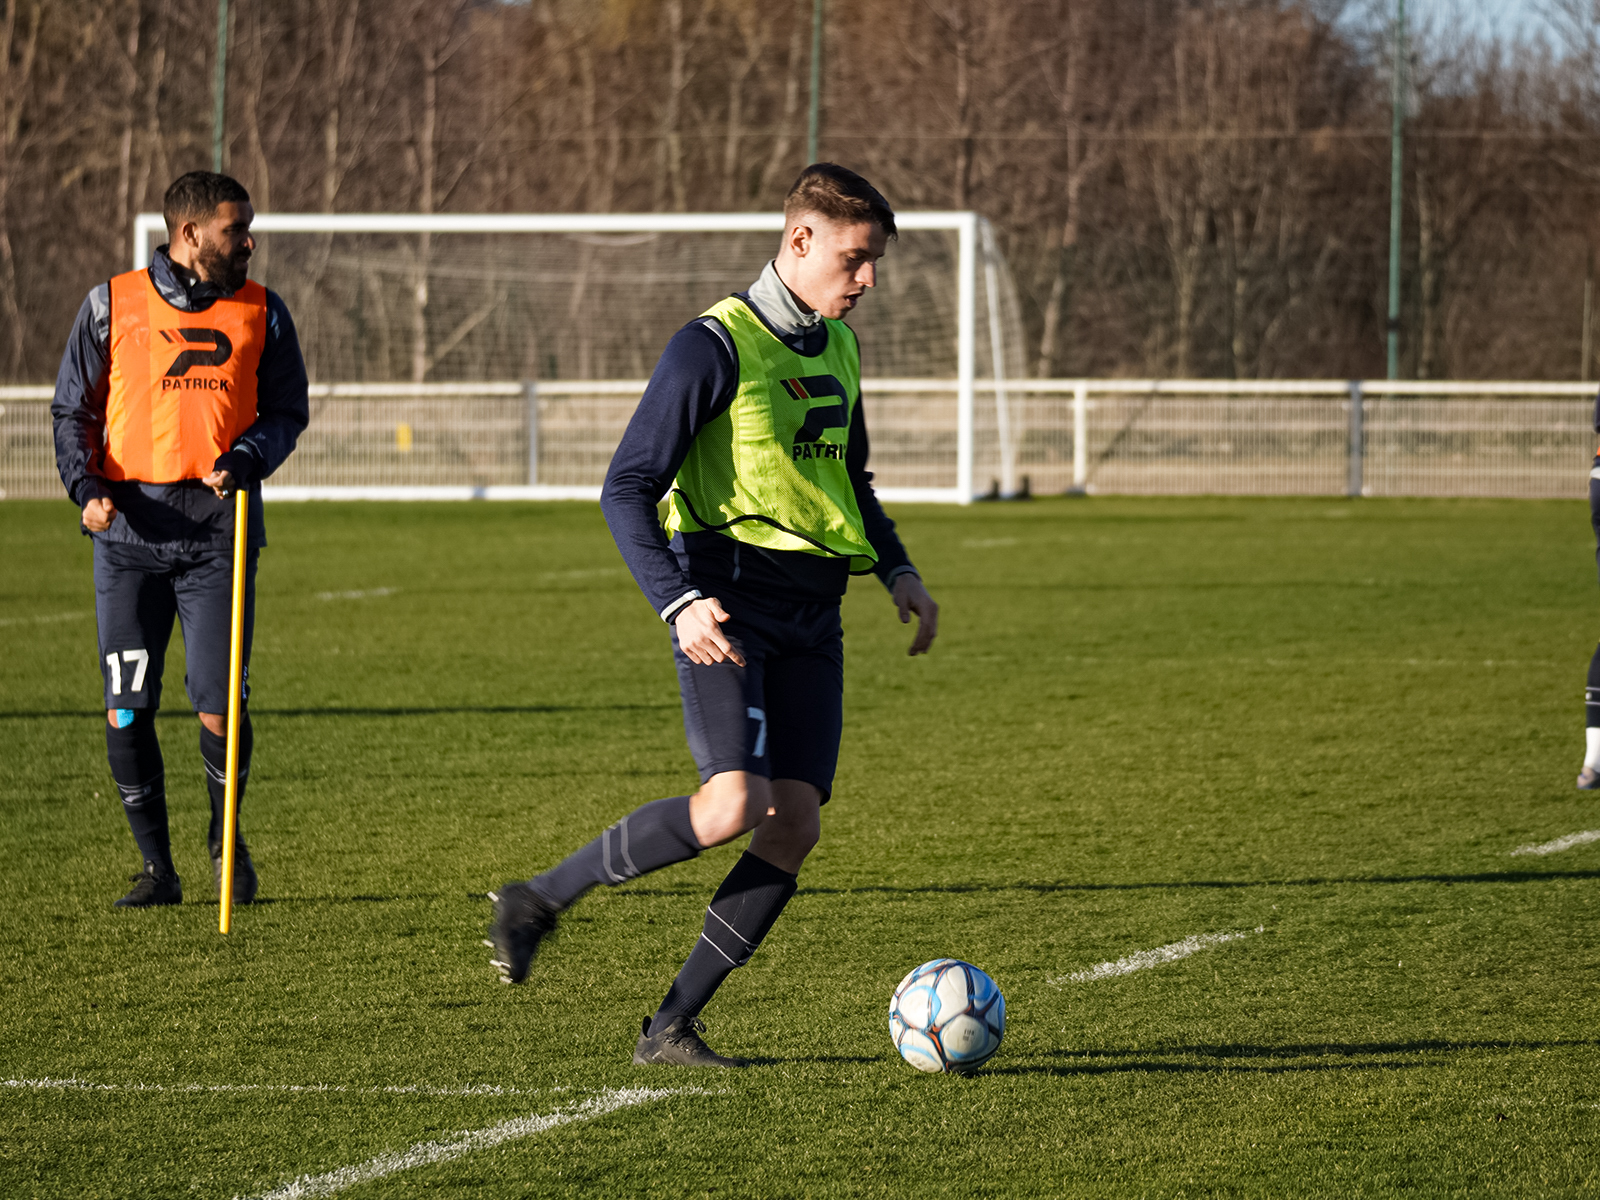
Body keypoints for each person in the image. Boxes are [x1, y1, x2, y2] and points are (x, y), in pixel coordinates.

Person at [487, 163, 939, 1067]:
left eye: (875, 263)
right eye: (856, 259)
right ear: (800, 240)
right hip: (730, 606)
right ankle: (536, 898)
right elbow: (626, 487)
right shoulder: (713, 345)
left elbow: (848, 477)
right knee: (736, 801)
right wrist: (679, 601)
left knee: (796, 823)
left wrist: (896, 567)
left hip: (817, 614)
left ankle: (669, 1028)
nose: (868, 281)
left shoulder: (840, 349)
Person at [52, 171, 309, 907]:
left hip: (218, 537)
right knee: (126, 703)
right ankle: (156, 869)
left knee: (218, 704)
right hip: (127, 534)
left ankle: (225, 844)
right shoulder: (111, 304)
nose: (250, 241)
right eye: (237, 230)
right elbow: (72, 410)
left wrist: (250, 456)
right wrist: (87, 489)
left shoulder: (265, 311)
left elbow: (288, 409)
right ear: (192, 234)